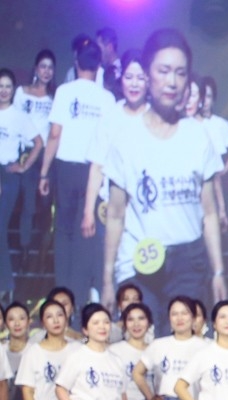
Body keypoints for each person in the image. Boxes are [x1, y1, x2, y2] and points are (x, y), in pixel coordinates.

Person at [100, 28, 225, 332]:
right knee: (143, 350)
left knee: (181, 350)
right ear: (147, 74)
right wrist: (107, 278)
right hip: (138, 262)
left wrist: (218, 271)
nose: (172, 81)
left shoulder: (198, 137)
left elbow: (209, 213)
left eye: (180, 73)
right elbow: (115, 215)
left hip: (188, 263)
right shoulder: (126, 140)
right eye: (164, 70)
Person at [38, 38, 116, 306]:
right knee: (87, 232)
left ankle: (63, 295)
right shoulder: (107, 98)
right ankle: (81, 298)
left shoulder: (64, 91)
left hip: (66, 168)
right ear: (98, 66)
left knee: (64, 231)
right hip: (94, 171)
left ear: (76, 62)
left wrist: (44, 172)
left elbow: (54, 134)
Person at [80, 49, 149, 309]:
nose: (134, 83)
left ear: (149, 81)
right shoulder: (110, 117)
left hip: (146, 211)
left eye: (140, 78)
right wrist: (88, 210)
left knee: (143, 276)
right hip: (111, 211)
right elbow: (97, 165)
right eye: (129, 77)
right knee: (110, 273)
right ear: (121, 80)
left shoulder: (156, 118)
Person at [0, 68, 44, 304]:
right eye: (0, 86)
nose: (4, 90)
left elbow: (38, 142)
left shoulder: (18, 116)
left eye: (8, 86)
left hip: (8, 175)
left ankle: (6, 285)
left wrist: (24, 166)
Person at [13, 50, 56, 270]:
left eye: (50, 67)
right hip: (28, 152)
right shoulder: (22, 92)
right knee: (28, 204)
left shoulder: (55, 97)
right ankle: (25, 251)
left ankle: (42, 253)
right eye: (43, 66)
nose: (46, 71)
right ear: (36, 68)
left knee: (46, 207)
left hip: (47, 156)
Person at [200, 76, 228, 233]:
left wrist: (226, 167)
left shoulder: (220, 124)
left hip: (214, 185)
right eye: (203, 96)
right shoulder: (190, 123)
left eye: (209, 97)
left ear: (213, 100)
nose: (205, 101)